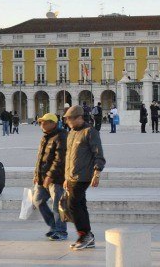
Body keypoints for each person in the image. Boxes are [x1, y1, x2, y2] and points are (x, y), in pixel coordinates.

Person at [48, 105, 105, 251]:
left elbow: (98, 154)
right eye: (66, 119)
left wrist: (97, 172)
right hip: (71, 177)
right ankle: (88, 236)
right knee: (80, 205)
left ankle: (84, 234)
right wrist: (66, 177)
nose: (67, 122)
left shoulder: (90, 132)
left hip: (83, 176)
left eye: (69, 119)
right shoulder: (71, 133)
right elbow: (68, 158)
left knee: (72, 205)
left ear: (79, 117)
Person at [33, 112, 68, 241]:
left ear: (53, 123)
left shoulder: (61, 136)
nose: (42, 124)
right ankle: (53, 225)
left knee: (57, 205)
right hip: (43, 178)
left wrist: (50, 176)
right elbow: (40, 158)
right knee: (38, 200)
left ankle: (61, 231)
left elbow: (60, 160)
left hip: (56, 178)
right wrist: (36, 174)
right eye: (41, 122)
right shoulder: (45, 137)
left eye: (45, 122)